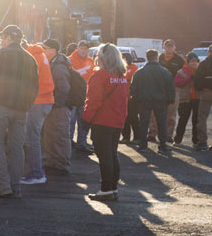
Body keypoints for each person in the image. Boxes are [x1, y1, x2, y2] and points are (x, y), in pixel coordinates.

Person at [0, 25, 39, 199]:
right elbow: (35, 86)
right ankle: (16, 187)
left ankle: (2, 185)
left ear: (8, 37)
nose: (1, 40)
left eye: (2, 37)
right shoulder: (30, 58)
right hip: (21, 109)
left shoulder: (0, 55)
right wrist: (27, 104)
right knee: (16, 147)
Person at [84, 44, 131, 202]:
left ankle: (105, 190)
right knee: (112, 155)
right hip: (117, 120)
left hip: (102, 120)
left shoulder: (100, 76)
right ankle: (113, 188)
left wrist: (86, 119)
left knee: (104, 156)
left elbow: (93, 101)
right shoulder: (121, 76)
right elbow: (124, 100)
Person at [21, 36, 54, 186]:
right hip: (44, 100)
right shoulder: (38, 54)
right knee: (34, 138)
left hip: (38, 101)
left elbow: (26, 81)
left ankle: (37, 173)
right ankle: (36, 172)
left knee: (32, 139)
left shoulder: (31, 57)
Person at [129, 49, 175, 155]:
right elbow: (170, 87)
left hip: (144, 100)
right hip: (160, 101)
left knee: (144, 122)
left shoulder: (139, 72)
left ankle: (142, 145)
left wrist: (135, 99)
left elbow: (133, 88)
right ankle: (162, 145)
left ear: (147, 57)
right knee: (161, 122)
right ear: (157, 57)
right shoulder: (164, 71)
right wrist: (170, 99)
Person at [40, 39, 73, 177]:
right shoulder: (53, 63)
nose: (43, 51)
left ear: (53, 50)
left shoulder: (59, 66)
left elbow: (64, 88)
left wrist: (56, 104)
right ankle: (53, 162)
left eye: (45, 48)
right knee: (51, 135)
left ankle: (61, 163)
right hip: (54, 105)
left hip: (59, 106)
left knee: (60, 136)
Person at [67, 42, 93, 155]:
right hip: (72, 95)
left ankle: (81, 144)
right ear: (77, 49)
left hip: (85, 96)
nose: (83, 51)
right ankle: (68, 144)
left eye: (85, 49)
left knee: (83, 122)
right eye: (81, 48)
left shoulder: (91, 61)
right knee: (70, 122)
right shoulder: (69, 60)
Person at [159, 39, 185, 133]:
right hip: (159, 88)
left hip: (173, 89)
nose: (169, 48)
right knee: (156, 112)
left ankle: (169, 134)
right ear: (163, 47)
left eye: (171, 46)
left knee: (171, 113)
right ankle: (153, 133)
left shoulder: (179, 60)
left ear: (174, 47)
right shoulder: (159, 58)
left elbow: (184, 74)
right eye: (167, 46)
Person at [173, 55, 199, 145]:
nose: (194, 63)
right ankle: (177, 140)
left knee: (196, 121)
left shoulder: (200, 71)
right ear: (187, 62)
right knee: (182, 120)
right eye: (192, 61)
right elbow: (177, 83)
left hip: (197, 99)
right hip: (185, 99)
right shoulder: (181, 71)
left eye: (196, 61)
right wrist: (188, 79)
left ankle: (196, 141)